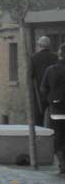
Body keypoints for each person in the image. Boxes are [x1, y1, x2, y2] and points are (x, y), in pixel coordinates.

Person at [39, 44, 65, 174]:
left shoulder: (51, 70)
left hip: (57, 110)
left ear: (60, 54)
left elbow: (43, 89)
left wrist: (48, 101)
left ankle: (62, 163)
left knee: (58, 137)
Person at [31, 36, 57, 127]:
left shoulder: (34, 58)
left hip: (39, 93)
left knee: (38, 119)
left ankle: (40, 138)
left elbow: (30, 76)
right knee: (54, 117)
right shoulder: (55, 57)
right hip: (53, 91)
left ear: (39, 45)